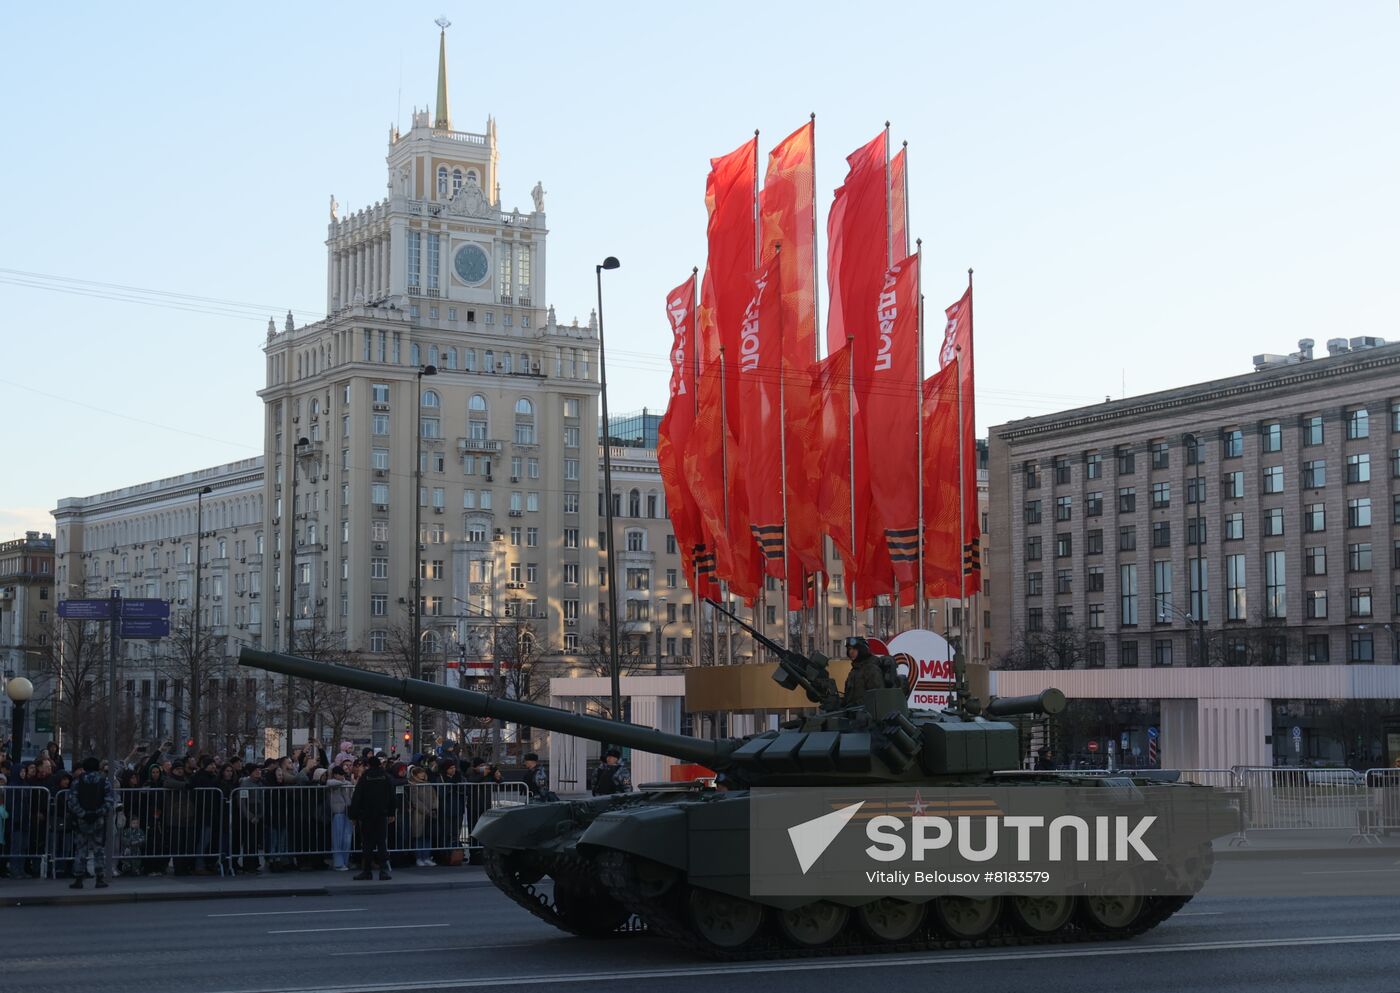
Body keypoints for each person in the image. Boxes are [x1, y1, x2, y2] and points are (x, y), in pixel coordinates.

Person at [66, 757, 114, 889]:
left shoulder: (77, 781)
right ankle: (99, 878)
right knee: (99, 849)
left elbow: (72, 801)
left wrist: (83, 814)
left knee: (81, 849)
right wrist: (98, 813)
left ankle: (78, 879)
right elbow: (109, 801)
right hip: (98, 820)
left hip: (82, 820)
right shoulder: (104, 781)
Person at [348, 754, 395, 880]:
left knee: (367, 844)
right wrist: (391, 813)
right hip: (381, 814)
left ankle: (367, 871)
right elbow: (392, 796)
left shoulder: (365, 777)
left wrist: (354, 815)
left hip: (367, 815)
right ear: (379, 765)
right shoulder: (386, 777)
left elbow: (357, 797)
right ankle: (383, 870)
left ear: (369, 765)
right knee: (381, 843)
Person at [842, 637, 888, 707]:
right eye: (849, 649)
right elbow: (848, 698)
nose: (851, 652)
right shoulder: (853, 672)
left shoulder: (871, 669)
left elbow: (876, 696)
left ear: (862, 649)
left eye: (854, 649)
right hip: (853, 714)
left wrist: (855, 705)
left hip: (868, 715)